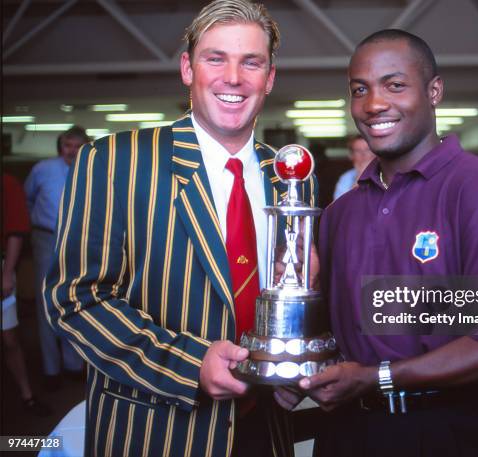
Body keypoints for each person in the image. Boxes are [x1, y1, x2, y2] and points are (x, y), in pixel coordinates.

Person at [43, 1, 315, 456]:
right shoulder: (115, 160)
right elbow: (74, 300)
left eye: (251, 62)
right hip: (154, 431)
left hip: (266, 430)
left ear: (269, 77)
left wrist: (293, 366)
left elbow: (296, 293)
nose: (233, 77)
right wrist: (190, 365)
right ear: (188, 68)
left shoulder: (287, 174)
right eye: (216, 58)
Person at [293, 29, 478, 457]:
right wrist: (295, 374)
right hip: (346, 432)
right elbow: (332, 329)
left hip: (444, 431)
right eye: (359, 89)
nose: (373, 104)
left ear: (434, 91)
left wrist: (379, 377)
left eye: (394, 85)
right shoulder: (339, 213)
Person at [25, 125, 89, 390]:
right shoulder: (43, 168)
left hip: (77, 240)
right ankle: (51, 369)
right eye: (67, 145)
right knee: (45, 303)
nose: (71, 151)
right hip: (46, 237)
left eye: (77, 145)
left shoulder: (90, 167)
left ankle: (73, 364)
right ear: (60, 146)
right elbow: (27, 199)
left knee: (73, 299)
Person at [2, 173, 52, 417]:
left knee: (9, 338)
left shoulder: (7, 183)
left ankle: (26, 395)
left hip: (2, 269)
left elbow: (16, 229)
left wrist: (7, 273)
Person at [333, 135, 375, 199]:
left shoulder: (386, 174)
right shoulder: (346, 178)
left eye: (368, 150)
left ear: (375, 154)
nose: (363, 154)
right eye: (358, 150)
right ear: (351, 155)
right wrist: (360, 176)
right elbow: (339, 207)